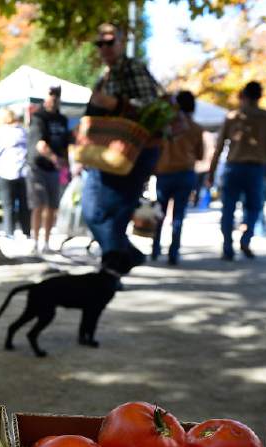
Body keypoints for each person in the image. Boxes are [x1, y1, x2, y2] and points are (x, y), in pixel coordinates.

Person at [80, 23, 162, 268]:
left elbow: (151, 105)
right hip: (105, 154)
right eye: (100, 43)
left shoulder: (132, 68)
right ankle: (128, 257)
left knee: (112, 216)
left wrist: (116, 104)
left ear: (121, 42)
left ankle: (112, 270)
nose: (104, 47)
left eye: (110, 41)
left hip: (130, 155)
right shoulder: (104, 76)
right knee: (92, 212)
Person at [206, 81, 266, 260]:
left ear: (242, 96)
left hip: (233, 167)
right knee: (253, 207)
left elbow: (219, 147)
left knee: (228, 208)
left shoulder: (233, 117)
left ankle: (228, 245)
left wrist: (211, 172)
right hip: (255, 169)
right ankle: (246, 238)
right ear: (260, 96)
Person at [151, 90, 203, 265]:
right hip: (185, 173)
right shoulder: (195, 128)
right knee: (179, 214)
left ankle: (155, 248)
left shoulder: (165, 124)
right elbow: (200, 154)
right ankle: (174, 252)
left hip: (164, 173)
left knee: (160, 213)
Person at [27, 86, 69, 252]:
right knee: (39, 205)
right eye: (51, 94)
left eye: (57, 95)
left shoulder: (62, 119)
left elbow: (65, 144)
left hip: (55, 169)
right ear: (45, 97)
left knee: (52, 206)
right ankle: (35, 242)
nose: (54, 98)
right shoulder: (38, 117)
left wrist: (65, 162)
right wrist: (55, 159)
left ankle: (46, 243)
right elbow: (40, 144)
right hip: (38, 166)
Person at [0, 108, 30, 239]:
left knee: (8, 205)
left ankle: (9, 233)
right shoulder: (23, 132)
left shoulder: (1, 133)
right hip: (23, 172)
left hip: (5, 171)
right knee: (24, 205)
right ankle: (26, 232)